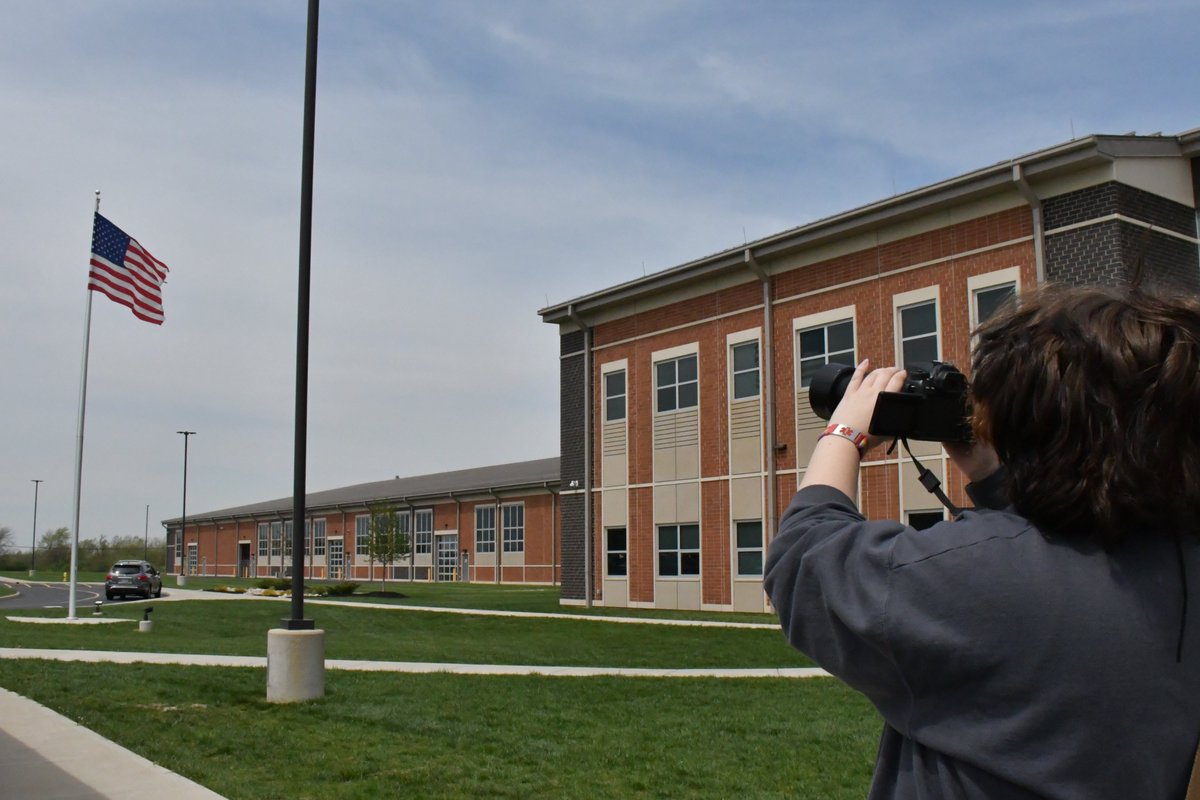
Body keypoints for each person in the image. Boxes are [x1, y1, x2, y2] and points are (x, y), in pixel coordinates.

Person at [764, 284, 1200, 799]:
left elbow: (803, 559)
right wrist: (994, 476)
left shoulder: (980, 581)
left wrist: (844, 433)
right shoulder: (1178, 561)